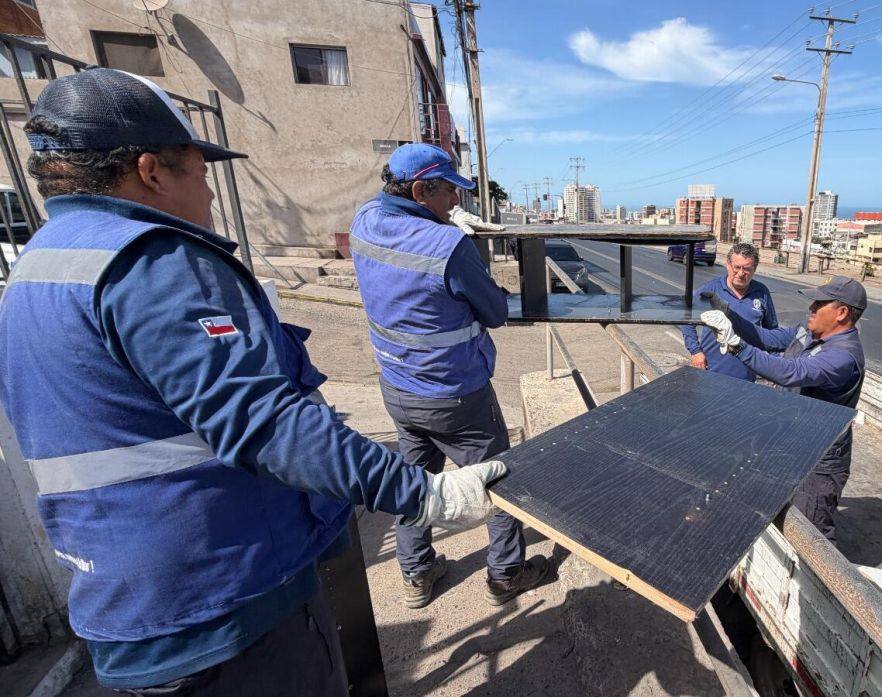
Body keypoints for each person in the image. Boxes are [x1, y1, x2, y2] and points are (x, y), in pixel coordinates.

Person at [0, 69, 504, 695]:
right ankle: (504, 568)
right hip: (225, 599)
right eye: (200, 171)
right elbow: (265, 420)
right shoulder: (153, 264)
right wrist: (424, 495)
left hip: (127, 594)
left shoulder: (37, 268)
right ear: (151, 171)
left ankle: (415, 567)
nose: (211, 190)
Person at [349, 143, 548, 610]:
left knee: (414, 482)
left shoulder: (364, 220)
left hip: (398, 387)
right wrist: (461, 249)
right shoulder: (447, 246)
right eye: (448, 193)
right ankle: (505, 575)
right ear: (420, 191)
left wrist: (443, 227)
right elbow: (495, 312)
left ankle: (416, 573)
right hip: (455, 395)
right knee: (496, 480)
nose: (455, 202)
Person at [701, 275, 867, 542]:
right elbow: (765, 337)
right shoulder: (808, 332)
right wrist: (728, 314)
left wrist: (736, 346)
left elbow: (790, 371)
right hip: (794, 443)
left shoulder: (842, 356)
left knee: (811, 532)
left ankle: (821, 570)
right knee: (779, 517)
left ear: (842, 313)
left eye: (819, 303)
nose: (811, 307)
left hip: (819, 459)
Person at [679, 242, 778, 381]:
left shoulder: (762, 293)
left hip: (746, 377)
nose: (741, 273)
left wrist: (775, 366)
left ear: (754, 269)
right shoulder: (711, 290)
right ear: (728, 265)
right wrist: (695, 351)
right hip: (711, 372)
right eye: (737, 267)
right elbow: (686, 319)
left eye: (746, 268)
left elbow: (772, 332)